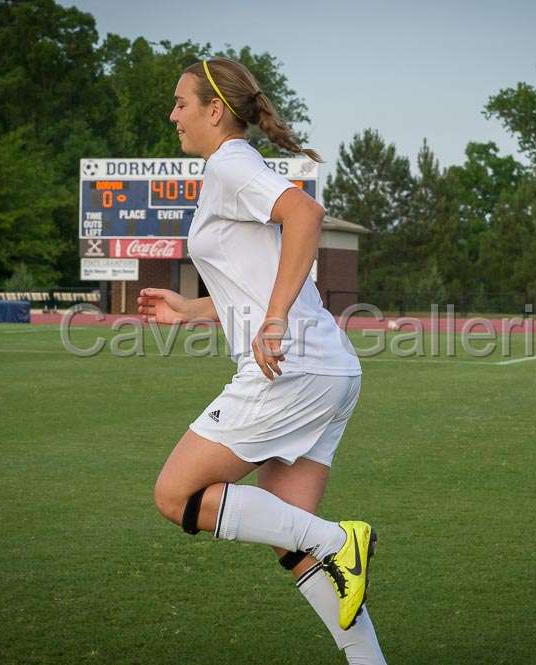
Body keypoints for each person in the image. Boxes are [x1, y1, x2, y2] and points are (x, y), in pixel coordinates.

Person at [138, 58, 386, 664]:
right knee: (290, 538)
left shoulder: (230, 163)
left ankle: (338, 539)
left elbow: (306, 214)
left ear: (214, 110)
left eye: (180, 103)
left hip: (292, 370)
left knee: (176, 496)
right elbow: (254, 285)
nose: (172, 114)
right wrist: (192, 310)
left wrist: (273, 322)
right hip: (328, 368)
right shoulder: (229, 170)